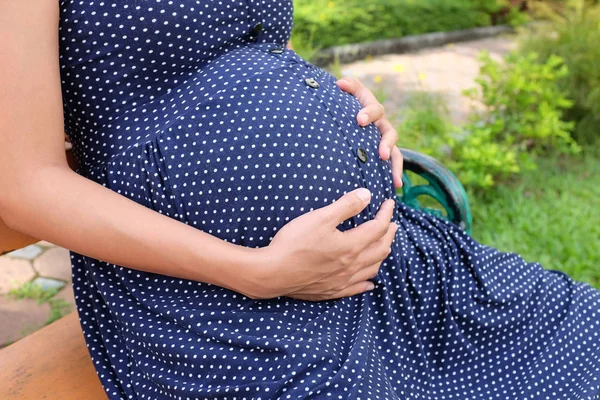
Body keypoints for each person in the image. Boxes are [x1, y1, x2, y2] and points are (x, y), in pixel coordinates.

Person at [1, 1, 598, 399]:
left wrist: (341, 105)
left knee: (576, 332)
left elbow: (243, 52)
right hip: (219, 308)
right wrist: (255, 272)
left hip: (377, 266)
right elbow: (24, 185)